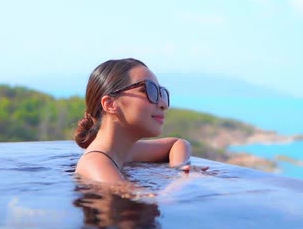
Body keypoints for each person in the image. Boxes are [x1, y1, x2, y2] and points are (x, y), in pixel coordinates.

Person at [73, 58, 206, 184]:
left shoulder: (122, 151)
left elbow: (177, 143)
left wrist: (179, 169)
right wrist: (183, 181)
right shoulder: (96, 163)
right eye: (149, 90)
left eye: (161, 92)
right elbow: (149, 200)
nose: (164, 104)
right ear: (110, 104)